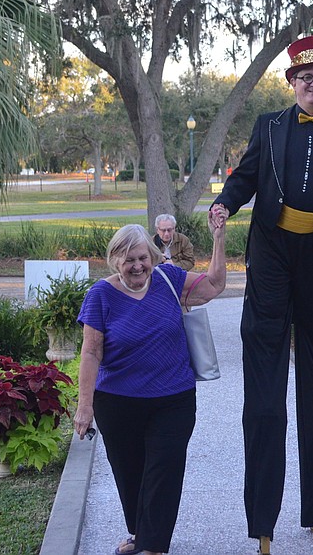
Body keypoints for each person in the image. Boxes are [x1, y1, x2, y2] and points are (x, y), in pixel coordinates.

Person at [210, 35, 313, 552]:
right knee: (264, 393)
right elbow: (245, 177)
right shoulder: (269, 126)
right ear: (292, 82)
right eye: (307, 78)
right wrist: (225, 204)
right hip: (272, 258)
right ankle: (263, 521)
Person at [73, 213, 226, 555]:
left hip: (173, 398)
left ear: (152, 257)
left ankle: (153, 546)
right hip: (117, 401)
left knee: (163, 470)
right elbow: (91, 353)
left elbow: (214, 285)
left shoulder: (169, 279)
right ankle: (141, 534)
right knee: (129, 474)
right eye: (129, 260)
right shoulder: (100, 295)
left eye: (143, 258)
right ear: (115, 260)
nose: (138, 266)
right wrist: (85, 406)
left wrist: (218, 238)